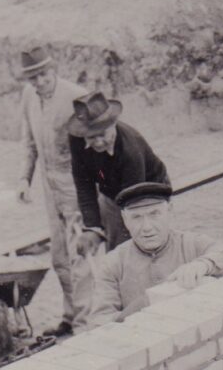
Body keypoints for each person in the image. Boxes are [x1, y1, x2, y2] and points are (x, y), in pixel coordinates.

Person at [88, 182, 223, 327]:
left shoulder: (190, 243)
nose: (146, 227)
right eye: (136, 217)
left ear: (170, 211)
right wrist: (142, 306)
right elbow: (98, 323)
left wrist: (204, 264)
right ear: (124, 219)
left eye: (154, 214)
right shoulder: (112, 263)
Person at [17, 47, 91, 336]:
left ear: (54, 70)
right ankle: (70, 317)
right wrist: (24, 178)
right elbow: (30, 143)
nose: (39, 83)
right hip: (50, 189)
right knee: (59, 257)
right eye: (33, 78)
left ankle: (85, 325)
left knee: (80, 255)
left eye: (43, 75)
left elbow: (94, 147)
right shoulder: (28, 98)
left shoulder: (76, 97)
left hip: (76, 187)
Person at [68, 91, 169, 254]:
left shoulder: (130, 149)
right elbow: (83, 183)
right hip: (110, 187)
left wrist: (126, 236)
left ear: (113, 124)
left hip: (147, 189)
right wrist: (92, 228)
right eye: (91, 137)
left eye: (102, 134)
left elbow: (134, 203)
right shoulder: (77, 139)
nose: (98, 142)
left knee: (142, 243)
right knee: (116, 250)